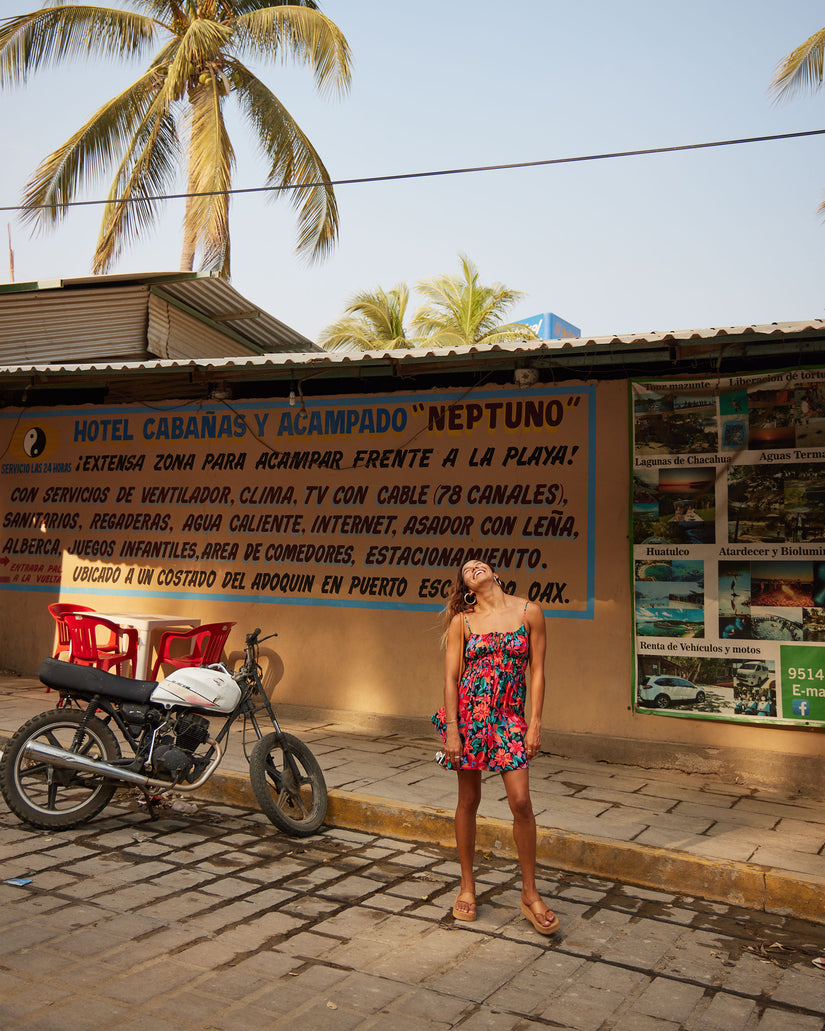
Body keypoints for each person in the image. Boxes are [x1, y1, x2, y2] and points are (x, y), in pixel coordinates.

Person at [431, 560, 559, 935]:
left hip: (509, 719)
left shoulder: (529, 611)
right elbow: (450, 678)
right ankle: (468, 887)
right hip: (469, 716)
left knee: (520, 801)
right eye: (467, 568)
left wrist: (534, 723)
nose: (474, 566)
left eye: (479, 563)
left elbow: (538, 671)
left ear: (496, 575)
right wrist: (452, 730)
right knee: (468, 800)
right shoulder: (462, 622)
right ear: (467, 587)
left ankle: (530, 893)